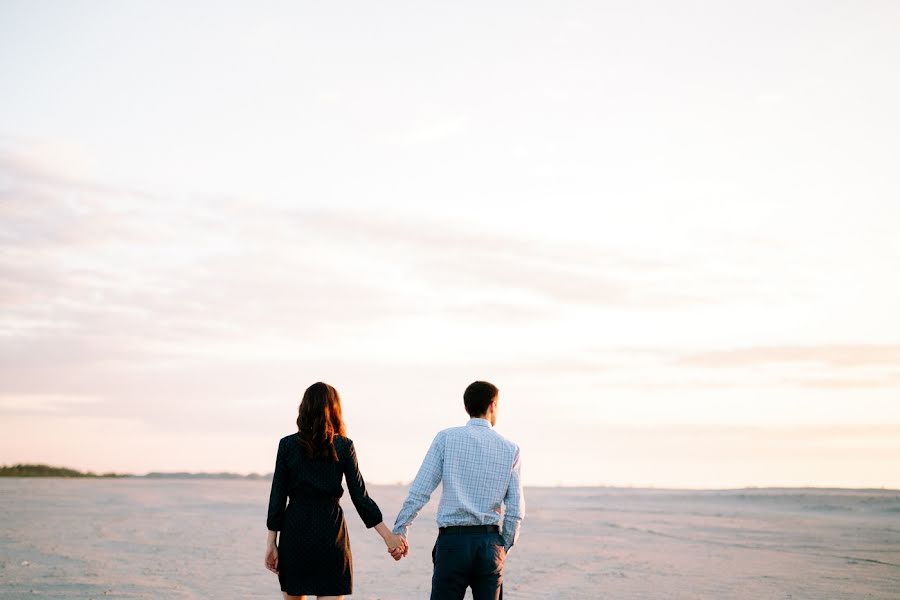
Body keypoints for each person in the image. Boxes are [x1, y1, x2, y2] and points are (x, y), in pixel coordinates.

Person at [265, 382, 407, 599]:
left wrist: (271, 543)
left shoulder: (287, 445)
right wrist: (388, 537)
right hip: (330, 533)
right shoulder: (343, 445)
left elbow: (277, 496)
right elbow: (360, 497)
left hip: (294, 532)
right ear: (334, 409)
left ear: (304, 408)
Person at [391, 380, 524, 600]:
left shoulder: (446, 438)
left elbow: (420, 490)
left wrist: (401, 529)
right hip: (488, 543)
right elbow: (515, 510)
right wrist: (503, 546)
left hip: (452, 543)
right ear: (492, 405)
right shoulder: (511, 449)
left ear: (466, 407)